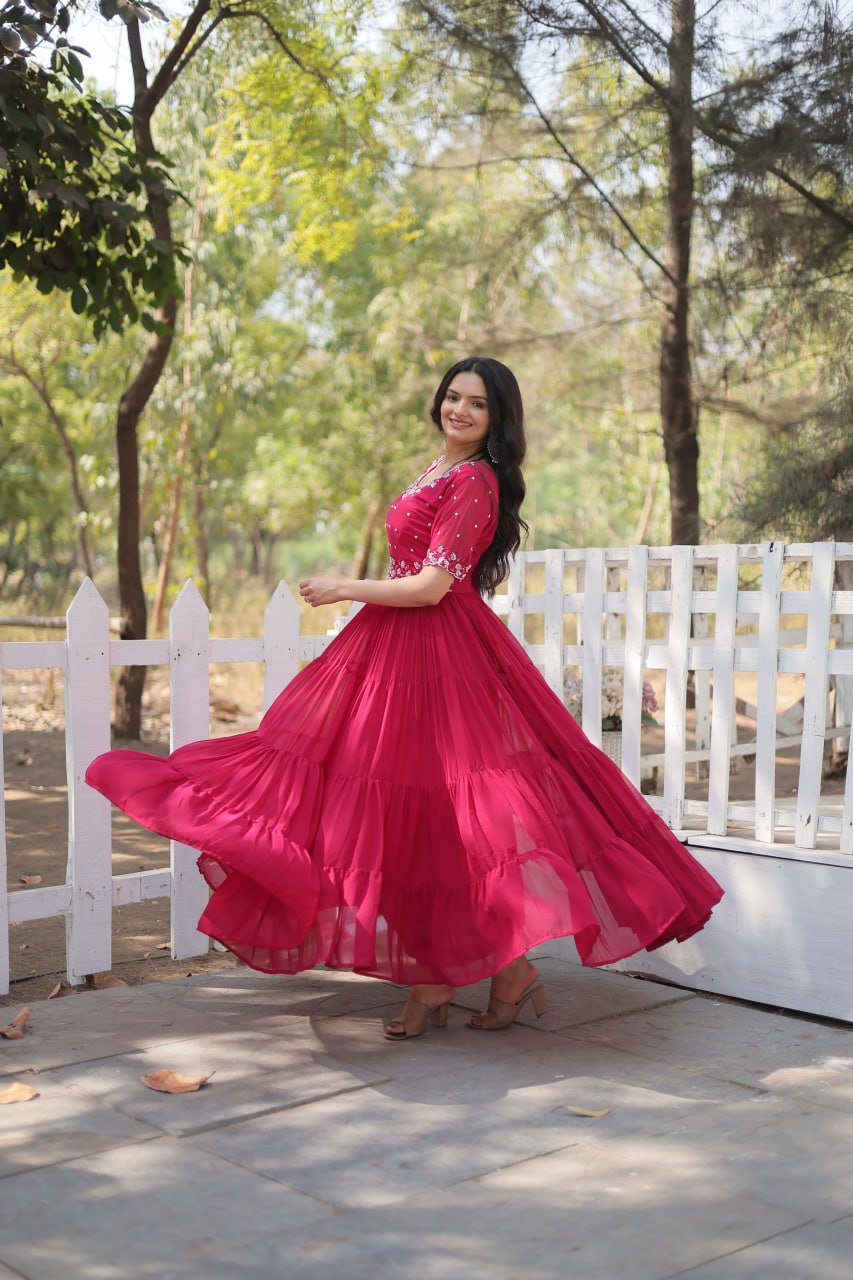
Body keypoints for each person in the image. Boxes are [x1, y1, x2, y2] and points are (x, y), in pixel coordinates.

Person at [86, 356, 723, 1041]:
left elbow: (429, 588)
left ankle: (452, 979)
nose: (459, 410)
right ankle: (482, 976)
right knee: (400, 813)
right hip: (394, 651)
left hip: (439, 654)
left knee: (449, 815)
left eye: (477, 404)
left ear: (497, 420)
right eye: (452, 396)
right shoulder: (438, 467)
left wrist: (346, 587)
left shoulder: (476, 480)